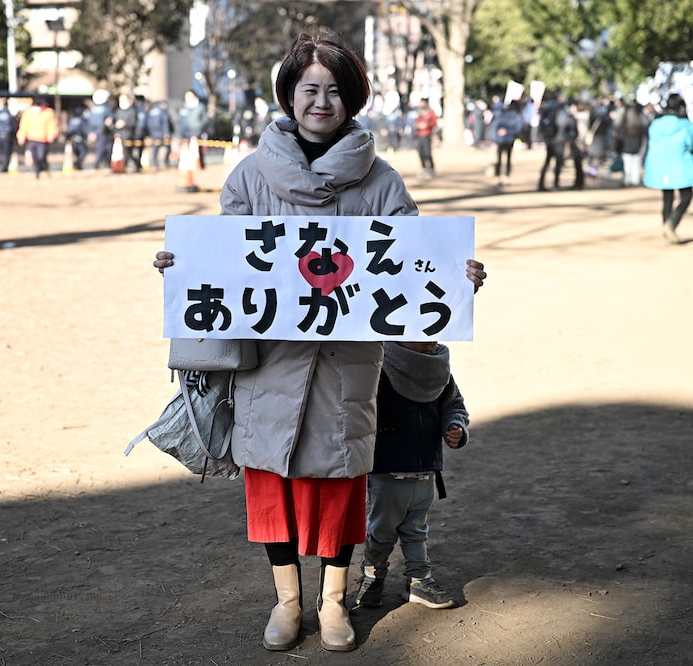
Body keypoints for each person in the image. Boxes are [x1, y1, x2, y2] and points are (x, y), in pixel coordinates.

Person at [152, 27, 487, 653]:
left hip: (346, 368)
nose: (321, 102)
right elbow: (226, 259)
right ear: (289, 94)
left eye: (335, 90)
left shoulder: (382, 183)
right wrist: (186, 269)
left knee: (338, 485)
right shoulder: (249, 177)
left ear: (352, 97)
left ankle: (332, 604)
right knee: (271, 487)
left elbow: (415, 267)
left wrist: (454, 278)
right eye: (310, 89)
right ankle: (287, 602)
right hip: (268, 366)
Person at [352, 340, 468, 611]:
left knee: (416, 530)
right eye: (422, 333)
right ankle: (371, 578)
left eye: (434, 333)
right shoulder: (378, 366)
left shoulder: (439, 367)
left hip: (426, 469)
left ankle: (419, 581)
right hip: (386, 470)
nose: (430, 341)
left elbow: (454, 405)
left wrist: (455, 426)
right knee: (381, 531)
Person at [642, 93, 693, 244]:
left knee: (667, 198)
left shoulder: (656, 124)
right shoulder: (685, 124)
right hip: (681, 164)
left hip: (661, 166)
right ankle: (672, 224)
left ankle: (666, 227)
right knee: (686, 196)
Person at [16, 94, 59, 179]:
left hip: (43, 139)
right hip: (31, 139)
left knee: (41, 156)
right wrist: (21, 135)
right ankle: (36, 173)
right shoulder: (28, 113)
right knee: (34, 157)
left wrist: (51, 134)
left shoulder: (48, 112)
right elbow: (24, 125)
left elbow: (52, 125)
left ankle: (45, 168)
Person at [537, 92, 574, 191]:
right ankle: (556, 184)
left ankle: (541, 183)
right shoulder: (561, 109)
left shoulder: (548, 108)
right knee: (558, 162)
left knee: (547, 161)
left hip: (550, 140)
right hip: (559, 140)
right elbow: (562, 123)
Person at [616, 100, 650, 187]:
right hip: (637, 141)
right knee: (636, 160)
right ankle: (634, 179)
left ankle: (628, 179)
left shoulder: (625, 119)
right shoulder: (640, 118)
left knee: (628, 161)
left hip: (628, 142)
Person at [492, 100, 523, 187]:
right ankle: (507, 176)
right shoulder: (517, 116)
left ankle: (498, 177)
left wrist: (499, 134)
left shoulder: (503, 114)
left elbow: (496, 125)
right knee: (508, 158)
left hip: (501, 139)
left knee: (499, 158)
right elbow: (518, 129)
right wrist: (509, 132)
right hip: (509, 139)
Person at [178, 89, 208, 165]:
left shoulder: (200, 107)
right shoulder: (183, 108)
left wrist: (200, 127)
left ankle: (199, 165)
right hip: (185, 132)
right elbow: (180, 121)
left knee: (197, 151)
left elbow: (205, 119)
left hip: (197, 132)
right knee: (186, 151)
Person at [87, 89, 114, 169]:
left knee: (100, 148)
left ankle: (99, 164)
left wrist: (91, 132)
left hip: (96, 131)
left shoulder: (93, 109)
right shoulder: (107, 108)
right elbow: (110, 119)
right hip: (105, 132)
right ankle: (101, 164)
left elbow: (90, 122)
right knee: (106, 149)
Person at [413, 97, 437, 178]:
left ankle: (431, 169)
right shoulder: (420, 113)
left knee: (427, 153)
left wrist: (427, 126)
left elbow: (434, 123)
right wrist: (418, 125)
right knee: (421, 153)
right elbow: (416, 122)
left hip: (427, 135)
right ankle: (424, 168)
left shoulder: (431, 113)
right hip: (419, 135)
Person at [145, 99, 173, 169]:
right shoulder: (162, 112)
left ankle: (153, 164)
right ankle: (164, 162)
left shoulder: (151, 112)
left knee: (154, 150)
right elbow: (165, 123)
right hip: (161, 133)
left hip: (153, 133)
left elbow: (148, 123)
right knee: (167, 147)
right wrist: (166, 133)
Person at [0, 100, 16, 172]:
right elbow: (14, 127)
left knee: (3, 152)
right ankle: (4, 167)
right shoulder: (9, 116)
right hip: (7, 137)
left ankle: (4, 166)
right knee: (6, 153)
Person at [64, 106, 88, 170]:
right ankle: (78, 164)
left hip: (73, 140)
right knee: (83, 152)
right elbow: (84, 130)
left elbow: (69, 131)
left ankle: (78, 166)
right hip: (79, 139)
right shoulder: (81, 120)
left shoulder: (72, 120)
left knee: (77, 153)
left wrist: (67, 137)